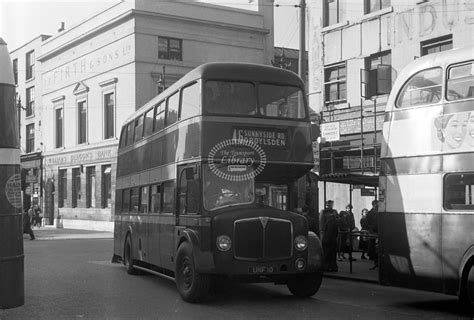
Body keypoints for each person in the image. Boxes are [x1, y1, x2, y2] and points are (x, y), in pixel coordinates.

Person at [319, 200, 339, 272]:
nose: (329, 206)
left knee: (332, 252)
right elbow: (321, 224)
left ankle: (332, 266)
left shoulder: (334, 212)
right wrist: (322, 234)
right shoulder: (323, 212)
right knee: (327, 251)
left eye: (330, 205)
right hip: (326, 234)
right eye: (328, 205)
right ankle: (327, 266)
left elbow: (338, 221)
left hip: (333, 235)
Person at [366, 200, 378, 269]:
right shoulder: (370, 213)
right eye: (376, 205)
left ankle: (375, 261)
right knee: (373, 245)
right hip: (373, 231)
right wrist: (371, 228)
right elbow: (368, 222)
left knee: (375, 246)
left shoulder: (377, 212)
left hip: (376, 231)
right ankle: (373, 259)